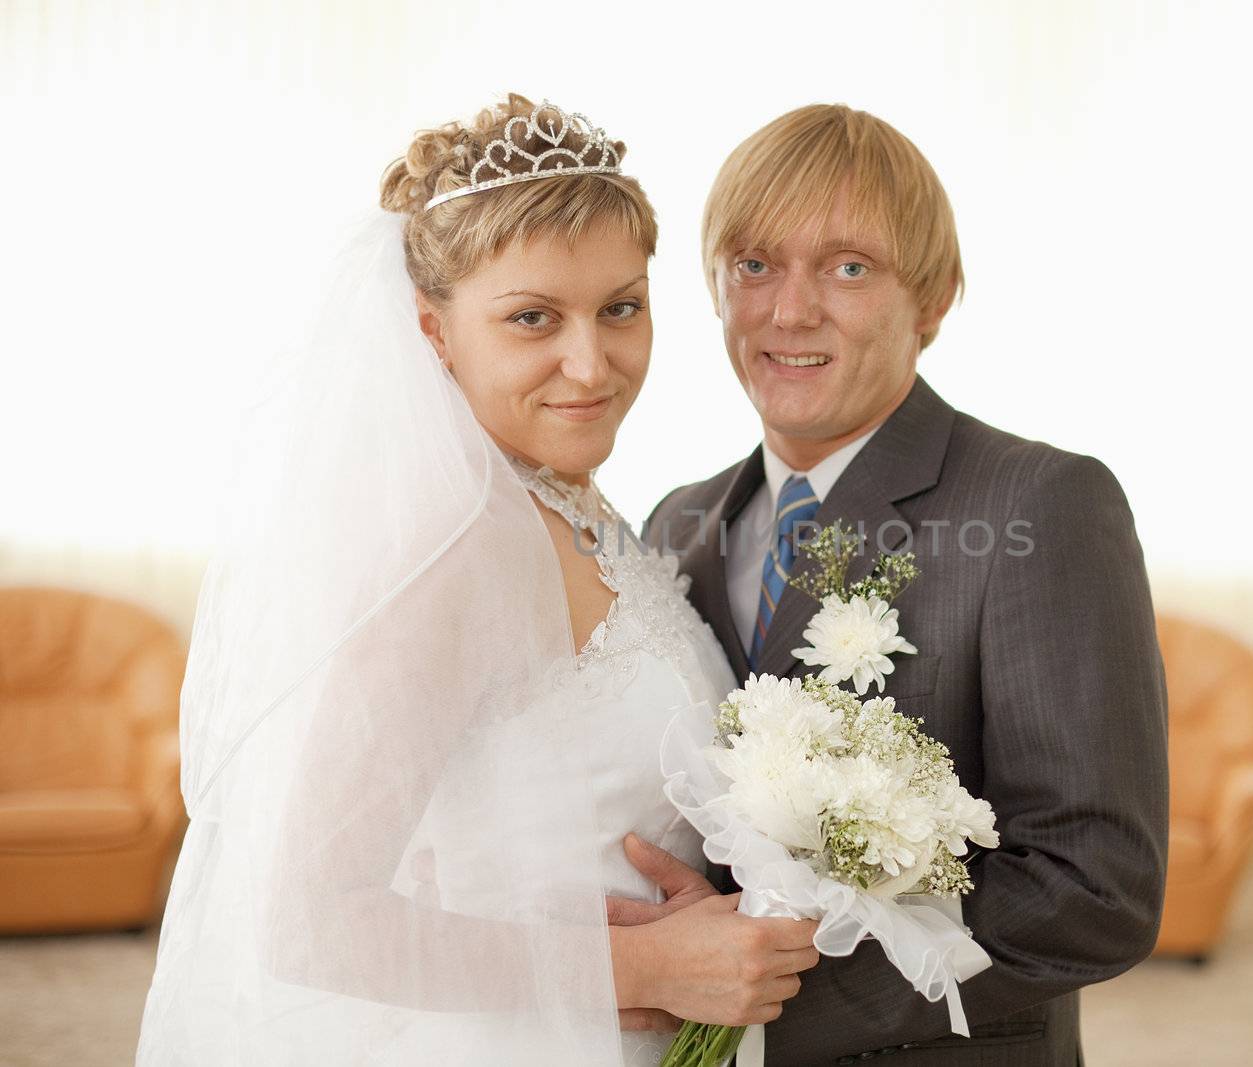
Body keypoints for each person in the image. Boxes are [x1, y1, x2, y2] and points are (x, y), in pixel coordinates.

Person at [134, 93, 818, 1067]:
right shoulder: (455, 551)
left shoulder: (562, 501)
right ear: (433, 330)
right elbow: (305, 919)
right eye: (533, 317)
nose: (592, 363)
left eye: (620, 306)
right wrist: (647, 970)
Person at [644, 104, 1170, 1065]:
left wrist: (757, 1000)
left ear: (932, 297)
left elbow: (1096, 890)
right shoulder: (677, 522)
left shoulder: (1041, 504)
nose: (789, 310)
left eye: (849, 267)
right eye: (754, 264)